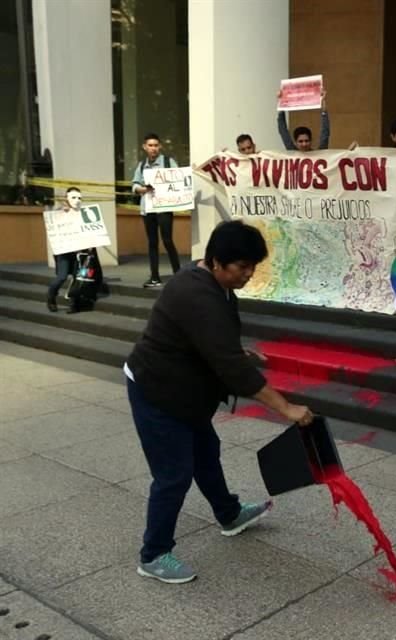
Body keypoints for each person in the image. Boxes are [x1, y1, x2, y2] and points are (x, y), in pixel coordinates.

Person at [125, 220, 313, 584]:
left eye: (252, 267)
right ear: (216, 261)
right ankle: (153, 554)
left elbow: (209, 340)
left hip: (186, 390)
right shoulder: (198, 295)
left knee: (206, 454)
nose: (248, 274)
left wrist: (231, 349)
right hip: (157, 392)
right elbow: (233, 371)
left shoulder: (213, 283)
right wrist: (287, 408)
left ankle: (229, 514)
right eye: (242, 267)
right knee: (173, 475)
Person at [131, 133, 182, 288]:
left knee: (167, 240)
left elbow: (179, 179)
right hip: (148, 208)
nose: (153, 148)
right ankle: (154, 277)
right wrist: (142, 189)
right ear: (145, 147)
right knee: (152, 242)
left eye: (155, 145)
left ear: (160, 146)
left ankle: (178, 275)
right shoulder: (141, 165)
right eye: (150, 145)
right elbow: (134, 185)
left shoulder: (168, 162)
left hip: (165, 207)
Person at [45, 187, 83, 312]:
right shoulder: (59, 212)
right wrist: (61, 213)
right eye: (73, 197)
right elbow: (52, 226)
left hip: (78, 251)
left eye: (79, 198)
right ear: (66, 199)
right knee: (62, 276)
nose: (77, 200)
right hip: (64, 251)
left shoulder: (83, 213)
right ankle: (51, 296)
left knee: (77, 277)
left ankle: (74, 302)